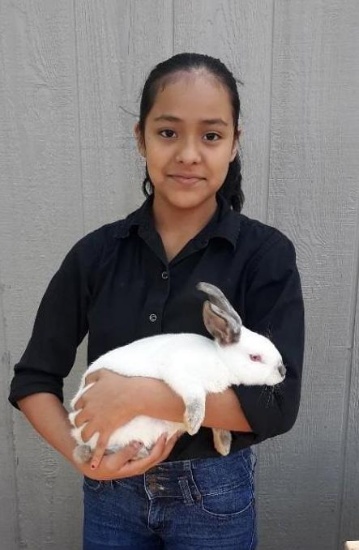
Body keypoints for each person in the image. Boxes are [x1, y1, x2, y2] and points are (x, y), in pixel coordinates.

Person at [9, 52, 305, 549]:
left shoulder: (265, 256)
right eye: (168, 133)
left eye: (211, 135)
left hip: (213, 497)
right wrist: (82, 455)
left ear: (234, 144)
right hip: (110, 494)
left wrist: (140, 396)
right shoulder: (97, 254)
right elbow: (34, 378)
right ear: (140, 139)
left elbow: (277, 405)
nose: (189, 153)